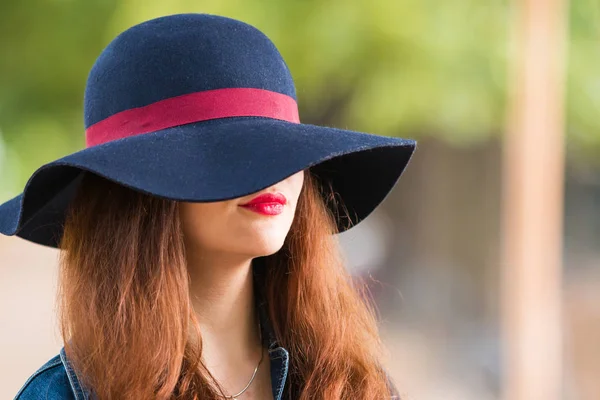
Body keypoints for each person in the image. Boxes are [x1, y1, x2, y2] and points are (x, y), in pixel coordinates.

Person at [0, 13, 416, 400]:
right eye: (232, 151)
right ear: (137, 191)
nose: (273, 175)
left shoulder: (350, 383)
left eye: (284, 152)